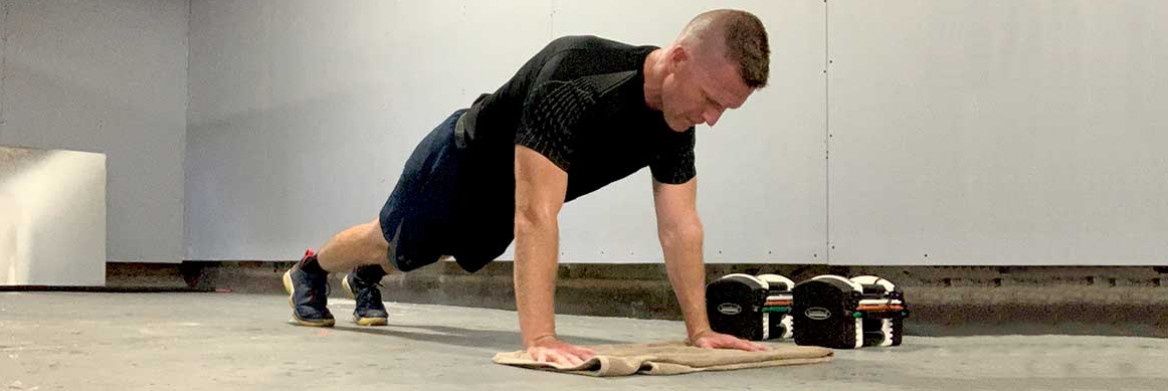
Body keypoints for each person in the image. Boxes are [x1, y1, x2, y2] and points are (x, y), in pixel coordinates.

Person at [283, 9, 772, 366]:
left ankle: (366, 278)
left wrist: (700, 330)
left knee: (419, 254)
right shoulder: (577, 74)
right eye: (710, 100)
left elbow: (680, 227)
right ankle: (310, 271)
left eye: (724, 110)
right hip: (457, 161)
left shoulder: (674, 124)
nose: (710, 120)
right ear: (679, 59)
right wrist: (541, 337)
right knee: (385, 239)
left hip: (501, 198)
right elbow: (537, 213)